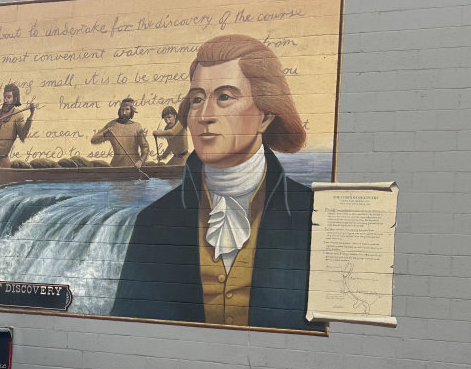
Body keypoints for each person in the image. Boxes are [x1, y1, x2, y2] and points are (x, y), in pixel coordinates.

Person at [111, 34, 321, 332]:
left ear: (266, 115)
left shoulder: (314, 217)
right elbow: (130, 330)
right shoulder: (154, 222)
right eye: (197, 98)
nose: (205, 115)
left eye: (224, 97)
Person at [90, 97, 149, 168]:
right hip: (116, 166)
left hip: (135, 166)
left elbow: (145, 147)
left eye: (127, 109)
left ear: (131, 111)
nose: (124, 112)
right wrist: (105, 133)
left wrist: (141, 161)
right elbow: (93, 140)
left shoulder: (137, 126)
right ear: (119, 111)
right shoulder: (112, 125)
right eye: (122, 109)